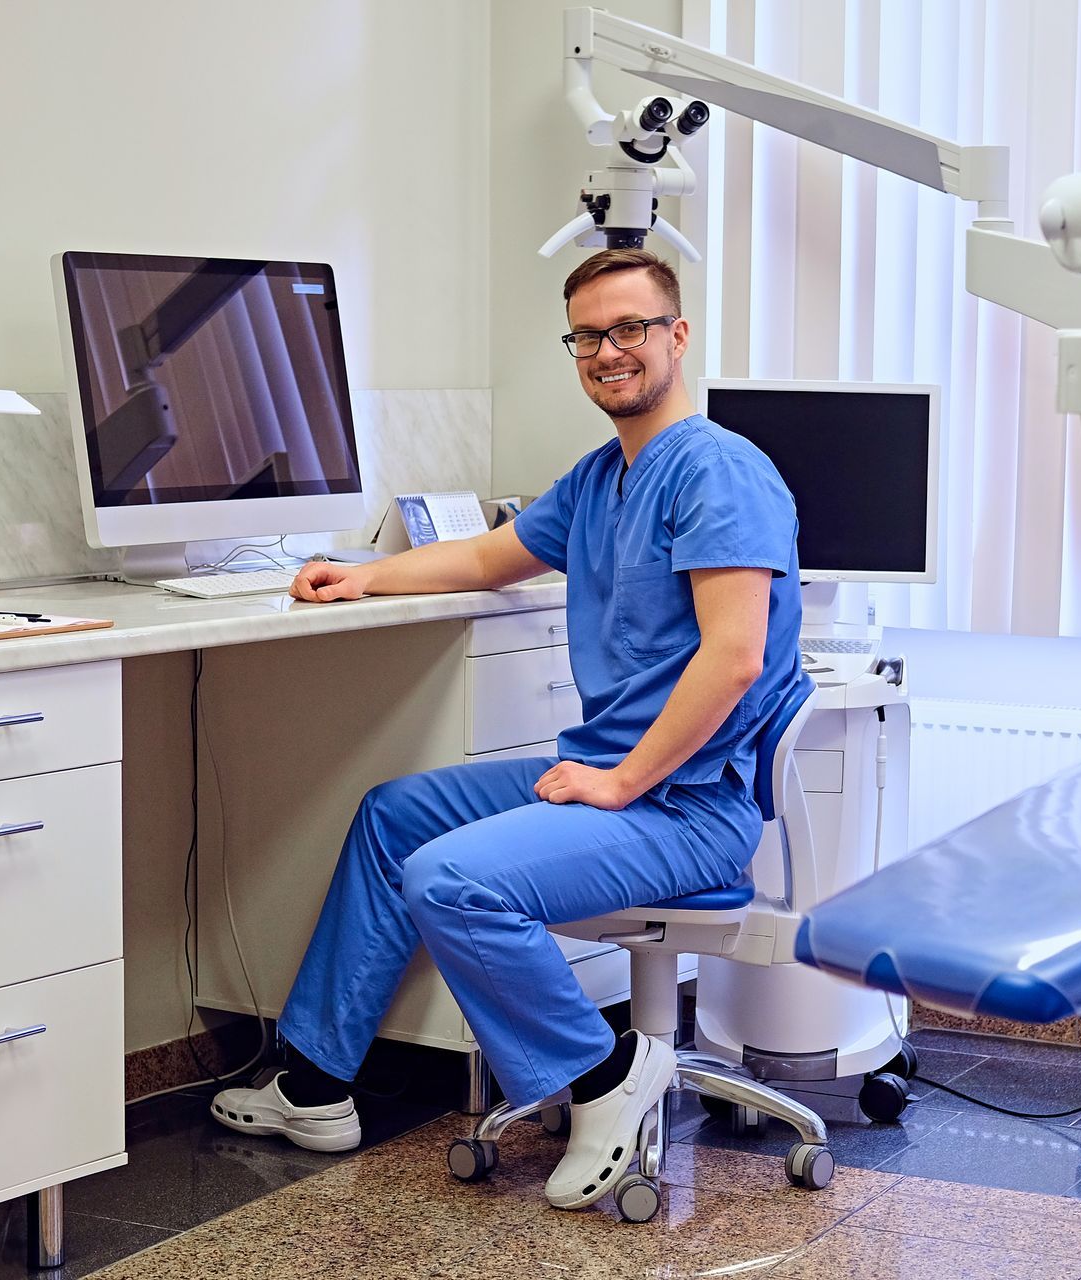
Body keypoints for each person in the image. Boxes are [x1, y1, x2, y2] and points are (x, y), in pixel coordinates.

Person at [209, 247, 807, 1211]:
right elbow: (490, 558)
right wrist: (362, 576)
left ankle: (604, 1076)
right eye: (588, 336)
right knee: (395, 817)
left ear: (677, 335)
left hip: (686, 806)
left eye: (630, 329)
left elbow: (733, 658)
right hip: (617, 780)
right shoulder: (605, 476)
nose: (608, 351)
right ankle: (317, 1083)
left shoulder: (721, 473)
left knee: (452, 879)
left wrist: (619, 782)